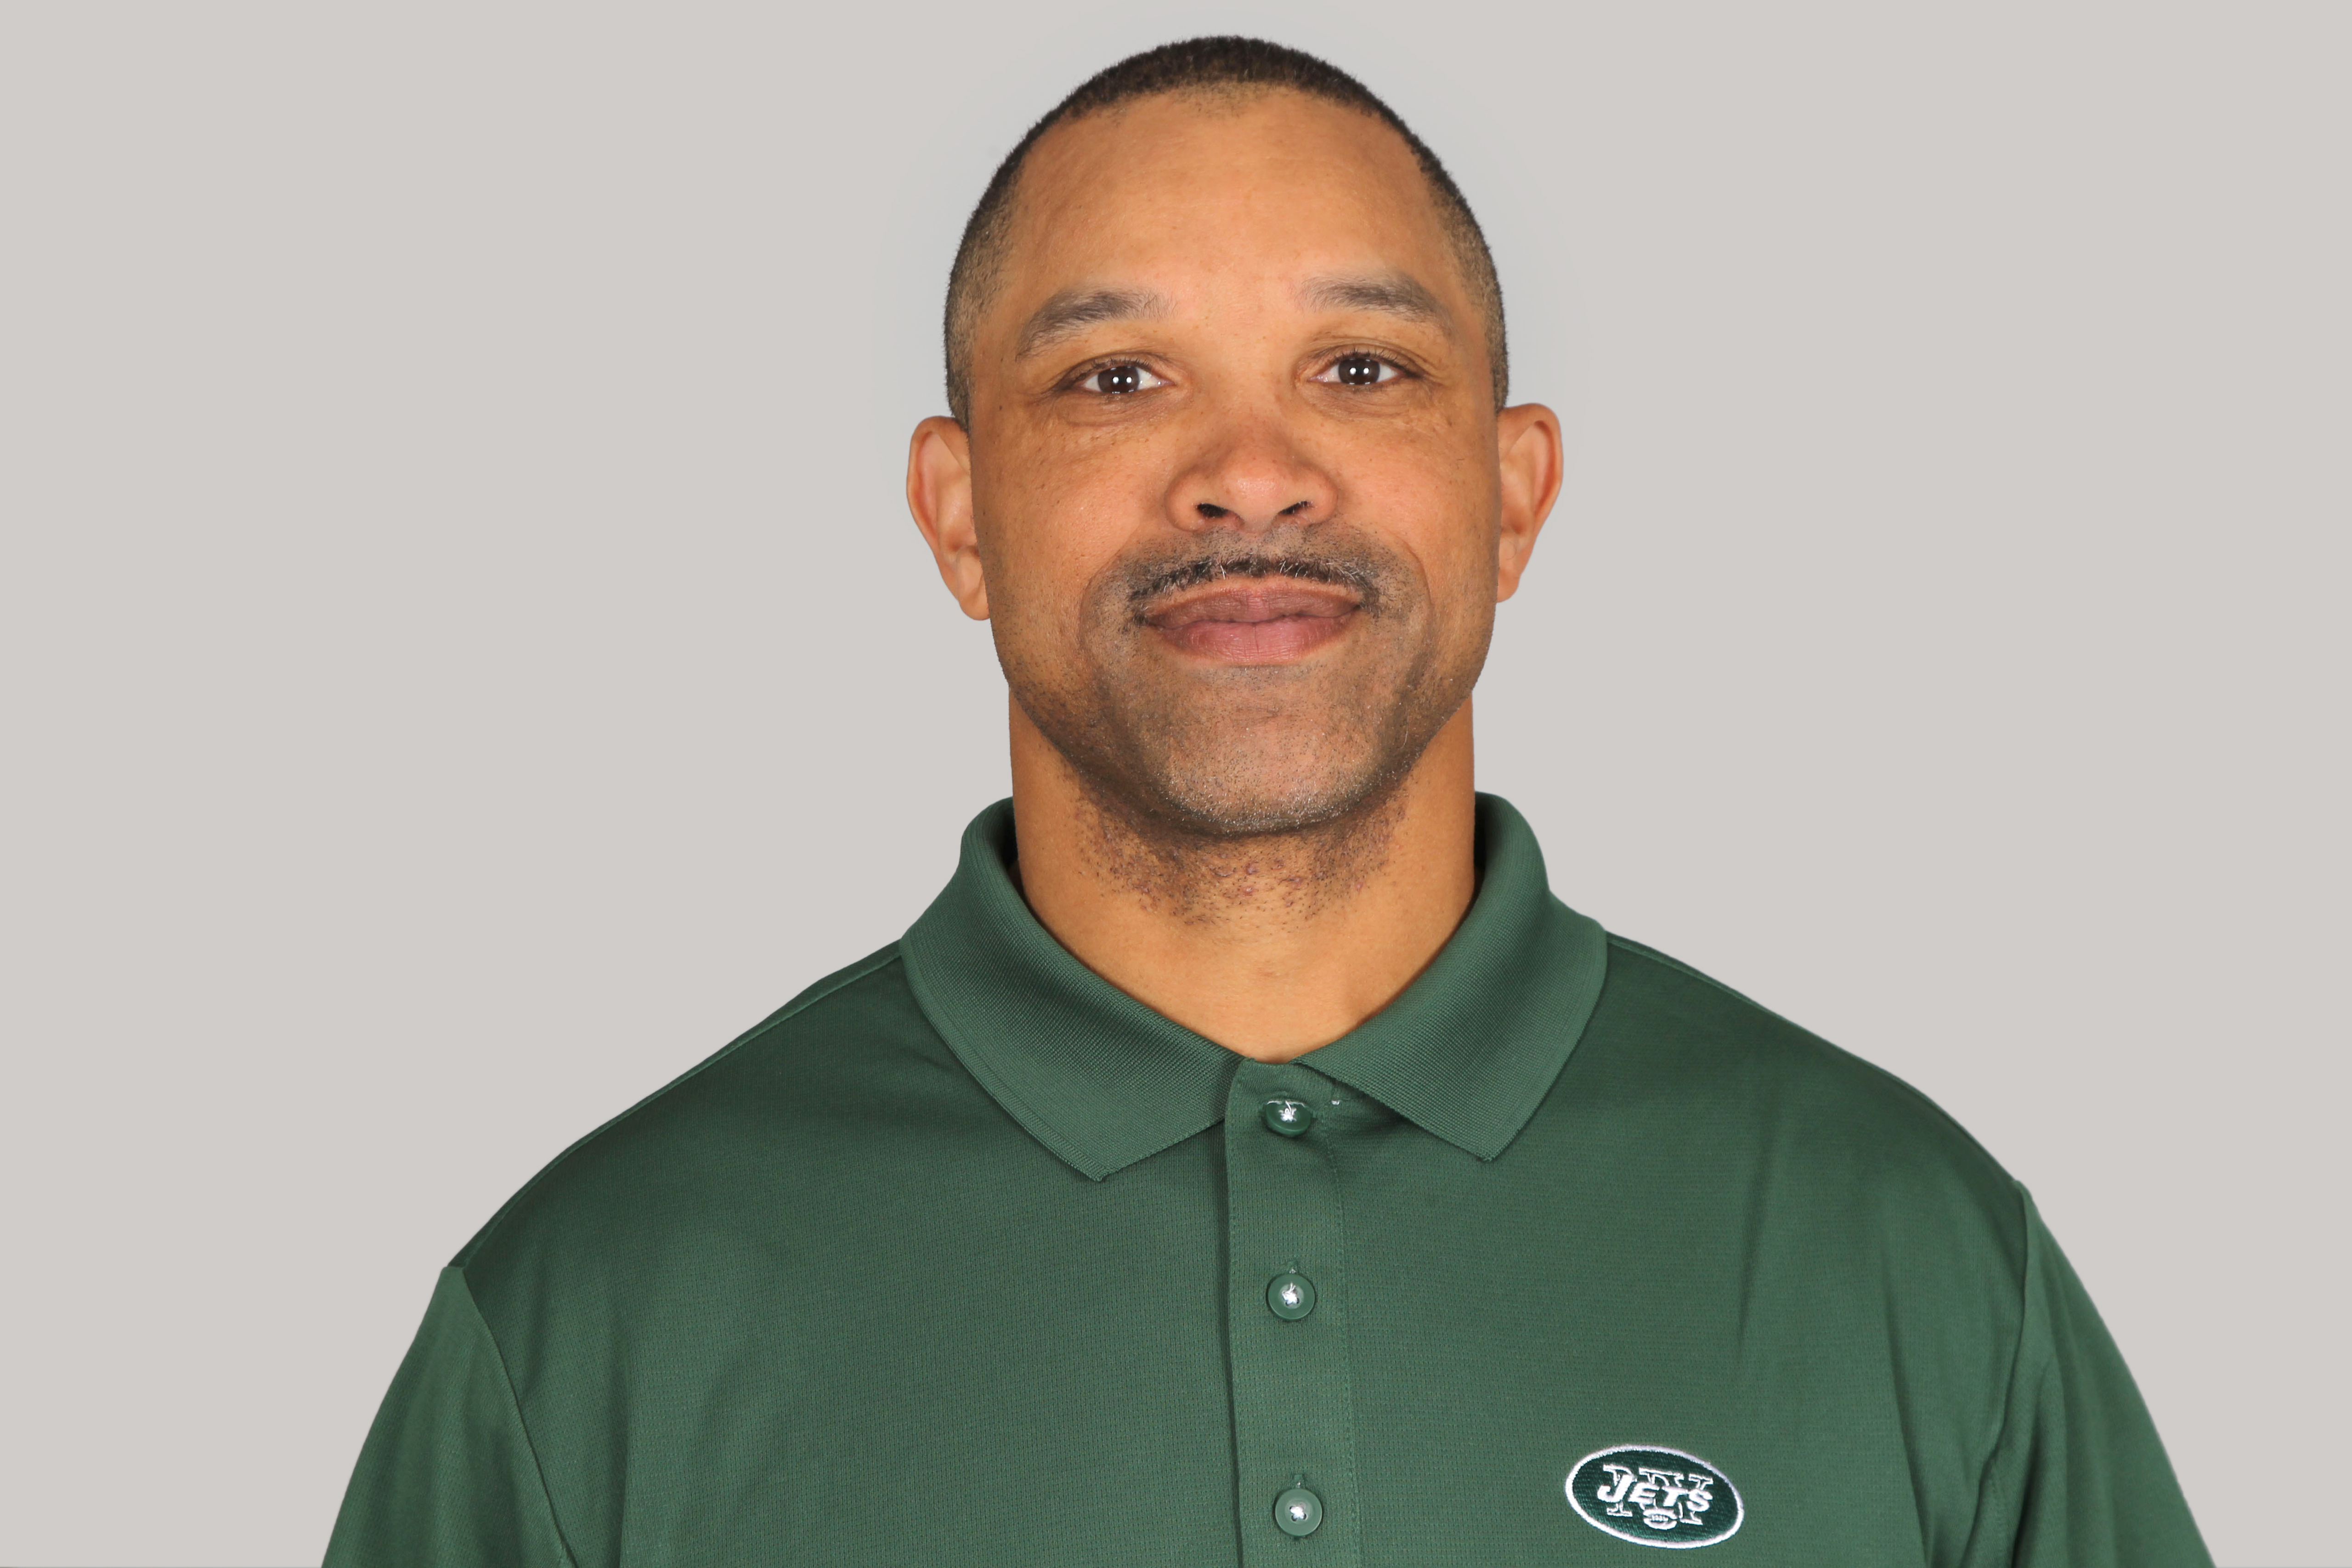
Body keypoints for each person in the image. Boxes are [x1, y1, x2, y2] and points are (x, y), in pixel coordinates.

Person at [324, 36, 2210, 1567]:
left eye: (1359, 368)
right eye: (1118, 376)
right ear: (959, 514)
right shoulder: (594, 1316)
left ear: (1513, 495)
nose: (1246, 473)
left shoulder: (1909, 1257)